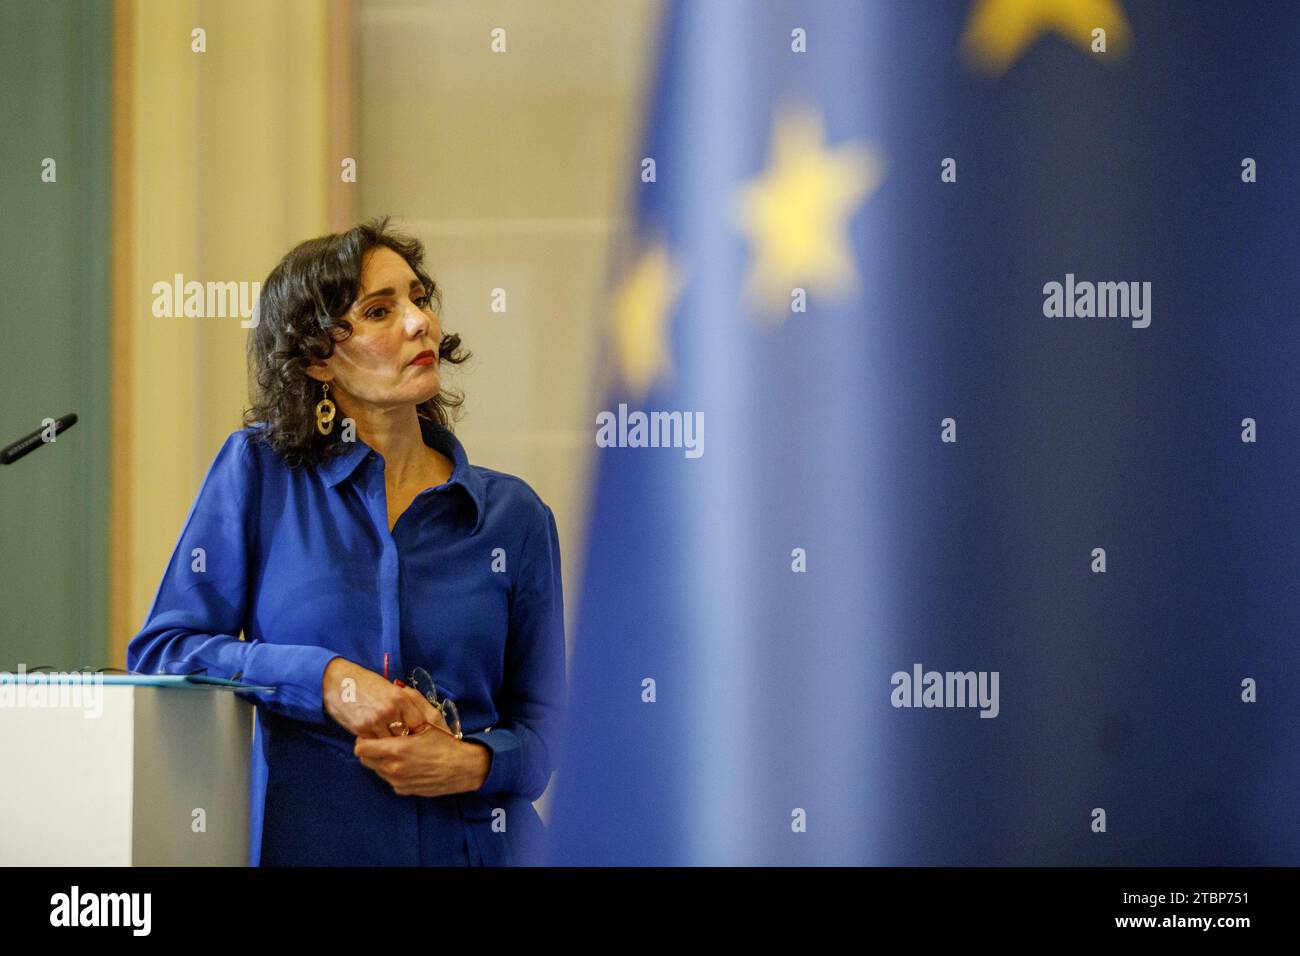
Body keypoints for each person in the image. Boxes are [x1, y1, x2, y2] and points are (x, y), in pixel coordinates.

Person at [126, 216, 567, 865]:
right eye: (380, 310)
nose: (420, 323)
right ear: (317, 357)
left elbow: (548, 731)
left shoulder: (514, 516)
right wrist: (327, 680)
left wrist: (471, 762)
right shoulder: (259, 473)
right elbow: (167, 650)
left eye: (419, 299)